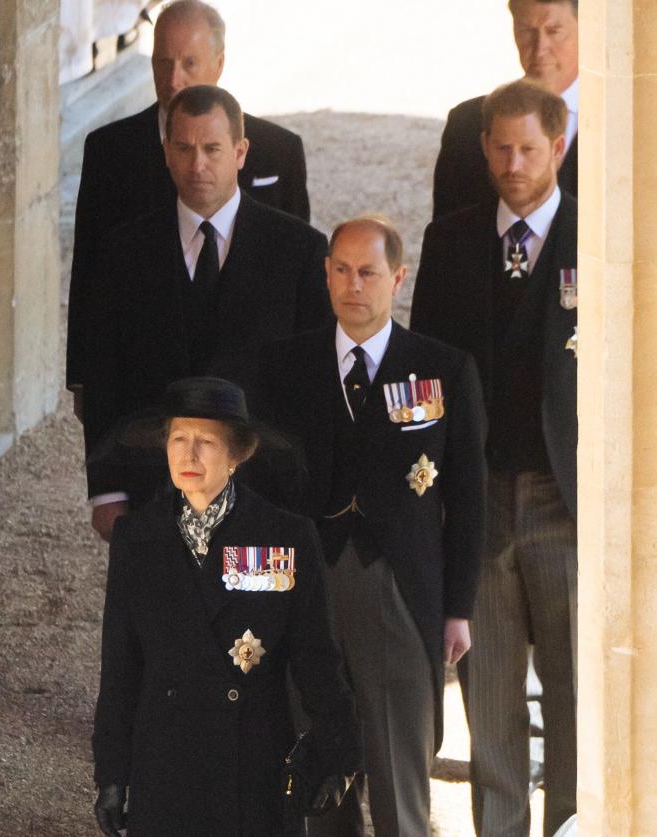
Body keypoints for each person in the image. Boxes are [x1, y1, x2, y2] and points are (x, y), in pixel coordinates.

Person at [260, 217, 487, 836]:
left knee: (397, 784)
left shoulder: (443, 369)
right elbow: (267, 487)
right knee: (317, 774)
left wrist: (457, 607)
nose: (352, 285)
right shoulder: (286, 365)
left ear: (398, 278)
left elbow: (468, 500)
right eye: (340, 269)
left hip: (397, 587)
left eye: (367, 272)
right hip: (308, 587)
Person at [411, 79, 578, 836]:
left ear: (560, 148)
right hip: (477, 504)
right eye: (501, 148)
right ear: (482, 149)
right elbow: (425, 378)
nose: (514, 165)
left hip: (566, 499)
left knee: (581, 699)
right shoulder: (450, 242)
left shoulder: (604, 239)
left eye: (530, 150)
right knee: (491, 702)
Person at [91, 376, 361, 837]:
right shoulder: (137, 539)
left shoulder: (286, 538)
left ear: (239, 454)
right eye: (178, 439)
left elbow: (316, 654)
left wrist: (339, 752)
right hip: (166, 767)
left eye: (206, 442)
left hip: (253, 763)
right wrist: (112, 775)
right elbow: (121, 667)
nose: (189, 455)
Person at [81, 83, 331, 543]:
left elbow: (316, 380)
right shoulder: (123, 251)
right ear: (167, 152)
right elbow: (103, 374)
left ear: (240, 152)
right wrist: (106, 490)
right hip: (151, 488)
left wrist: (309, 493)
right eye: (185, 148)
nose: (198, 165)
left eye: (212, 149)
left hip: (264, 491)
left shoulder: (300, 252)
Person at [67, 0, 311, 403]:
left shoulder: (277, 152)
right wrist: (82, 376)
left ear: (219, 63)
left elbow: (298, 268)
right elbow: (89, 262)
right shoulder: (110, 150)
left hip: (251, 378)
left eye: (189, 63)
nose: (173, 78)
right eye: (162, 63)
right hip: (146, 366)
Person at [431, 0, 578, 219]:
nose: (539, 49)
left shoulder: (624, 125)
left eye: (554, 31)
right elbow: (447, 238)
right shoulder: (467, 123)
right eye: (527, 30)